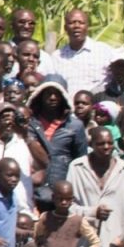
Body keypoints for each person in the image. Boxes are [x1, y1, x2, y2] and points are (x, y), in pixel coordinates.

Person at [27, 79, 88, 210]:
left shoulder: (75, 126)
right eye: (48, 93)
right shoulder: (30, 123)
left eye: (57, 94)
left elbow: (81, 161)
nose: (53, 97)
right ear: (40, 95)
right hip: (33, 190)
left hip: (62, 193)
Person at [52, 9, 112, 94]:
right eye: (72, 23)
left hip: (97, 105)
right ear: (65, 28)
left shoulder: (104, 51)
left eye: (81, 22)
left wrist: (121, 100)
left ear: (87, 26)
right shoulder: (57, 57)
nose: (77, 26)